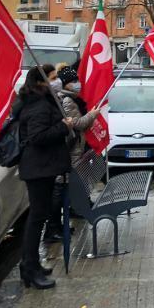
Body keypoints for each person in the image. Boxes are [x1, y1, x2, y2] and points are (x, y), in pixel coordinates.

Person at [15, 64, 73, 289]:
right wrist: (63, 126)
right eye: (52, 77)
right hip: (38, 169)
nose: (56, 80)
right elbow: (37, 136)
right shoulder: (38, 105)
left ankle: (31, 264)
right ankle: (29, 268)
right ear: (40, 83)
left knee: (38, 218)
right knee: (36, 219)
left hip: (42, 168)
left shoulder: (39, 101)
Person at [45, 65, 99, 242]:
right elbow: (78, 123)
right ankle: (53, 228)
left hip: (75, 150)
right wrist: (92, 115)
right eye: (73, 81)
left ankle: (64, 219)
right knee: (60, 189)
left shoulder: (69, 99)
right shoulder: (67, 101)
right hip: (71, 152)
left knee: (68, 187)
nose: (77, 84)